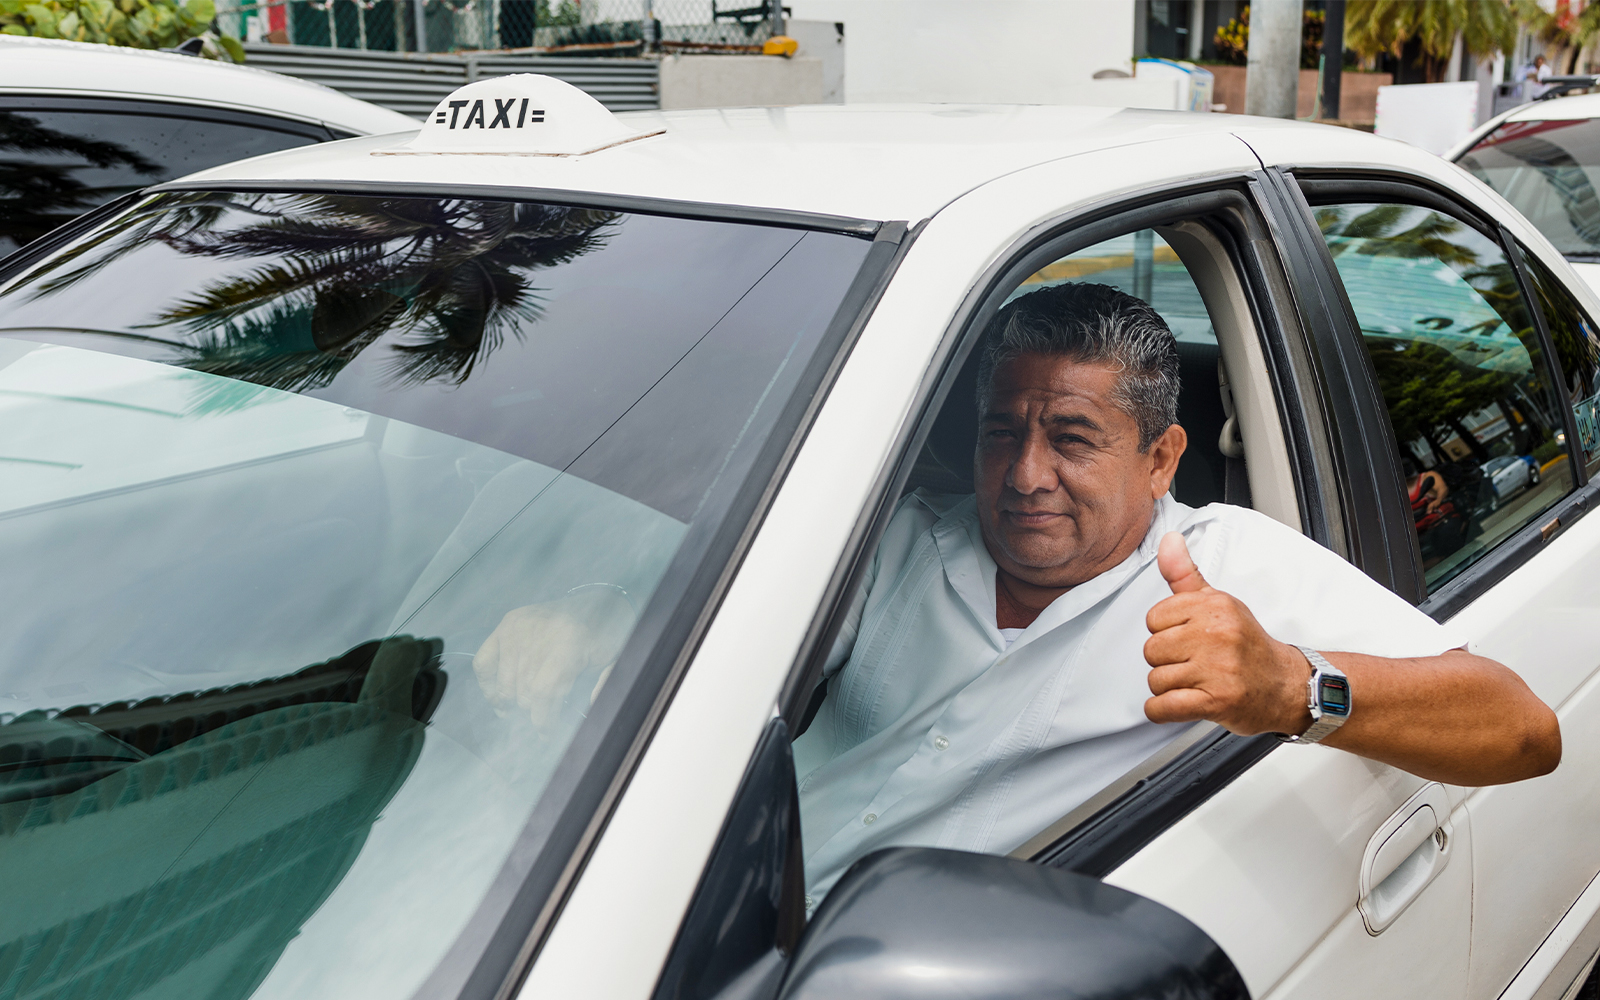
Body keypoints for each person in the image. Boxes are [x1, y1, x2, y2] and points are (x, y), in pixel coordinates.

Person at [474, 282, 1561, 905]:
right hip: (688, 911)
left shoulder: (1226, 565)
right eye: (1005, 431)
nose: (1026, 471)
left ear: (1163, 457)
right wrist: (588, 623)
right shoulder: (897, 542)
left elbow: (1521, 728)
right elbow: (720, 633)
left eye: (1074, 438)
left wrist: (1289, 684)